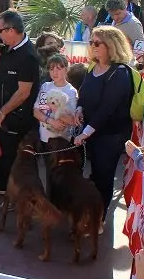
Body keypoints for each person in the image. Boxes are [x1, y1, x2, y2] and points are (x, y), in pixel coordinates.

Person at [74, 26, 134, 218]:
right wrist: (79, 108)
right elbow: (84, 94)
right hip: (91, 132)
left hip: (110, 136)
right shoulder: (93, 67)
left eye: (97, 43)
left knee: (103, 177)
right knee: (93, 175)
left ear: (112, 45)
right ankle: (90, 211)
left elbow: (108, 108)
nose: (92, 46)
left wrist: (85, 133)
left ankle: (99, 216)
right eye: (91, 42)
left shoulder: (120, 73)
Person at [0, 10, 40, 198]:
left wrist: (3, 112)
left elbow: (24, 92)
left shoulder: (29, 55)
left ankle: (9, 190)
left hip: (14, 115)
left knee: (9, 153)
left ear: (12, 30)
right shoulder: (6, 50)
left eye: (0, 30)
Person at [33, 53, 77, 145]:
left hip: (61, 141)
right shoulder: (45, 86)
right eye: (51, 69)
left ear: (66, 69)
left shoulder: (71, 91)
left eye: (59, 69)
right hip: (43, 138)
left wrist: (58, 111)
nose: (54, 72)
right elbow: (36, 111)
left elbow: (72, 120)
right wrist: (51, 121)